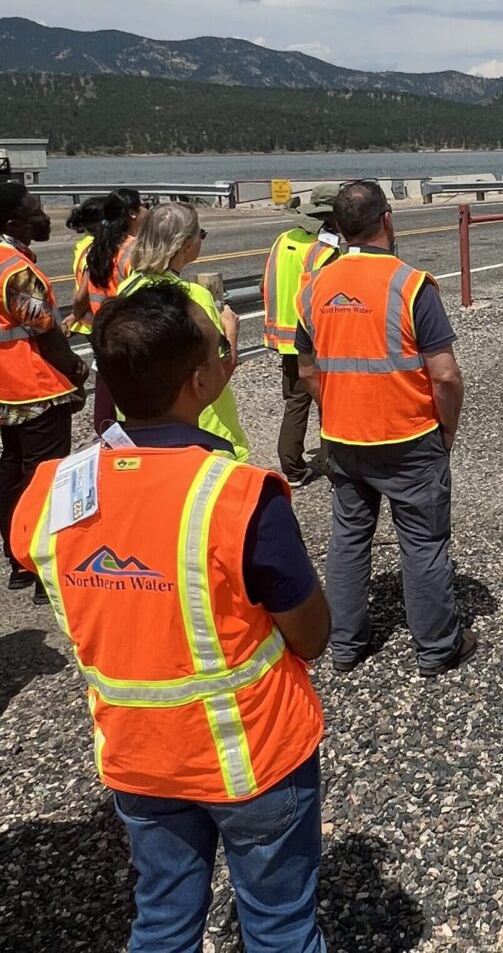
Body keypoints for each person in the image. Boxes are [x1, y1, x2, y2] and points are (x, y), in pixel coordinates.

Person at [9, 280, 330, 952]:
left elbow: (44, 553)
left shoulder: (53, 489)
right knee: (280, 927)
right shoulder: (238, 496)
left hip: (135, 755)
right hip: (253, 755)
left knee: (162, 919)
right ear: (198, 382)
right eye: (219, 347)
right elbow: (311, 633)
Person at [297, 180, 473, 676]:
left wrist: (336, 408)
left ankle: (346, 645)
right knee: (422, 542)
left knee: (349, 538)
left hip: (343, 438)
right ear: (387, 222)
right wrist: (446, 433)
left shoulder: (314, 289)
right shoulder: (412, 285)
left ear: (337, 228)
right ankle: (437, 647)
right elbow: (445, 375)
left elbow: (307, 370)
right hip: (408, 438)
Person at [0, 183, 89, 603]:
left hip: (5, 391)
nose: (45, 216)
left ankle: (17, 562)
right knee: (44, 479)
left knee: (13, 472)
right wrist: (73, 370)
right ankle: (42, 572)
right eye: (35, 210)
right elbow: (44, 328)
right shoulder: (12, 268)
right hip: (32, 389)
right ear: (14, 223)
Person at [117, 202, 250, 461]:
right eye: (201, 234)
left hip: (142, 427)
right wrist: (231, 331)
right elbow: (221, 369)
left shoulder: (128, 288)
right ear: (186, 246)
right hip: (202, 429)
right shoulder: (193, 297)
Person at [261, 183, 340, 484]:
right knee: (328, 401)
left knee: (296, 400)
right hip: (314, 338)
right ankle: (335, 465)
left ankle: (292, 465)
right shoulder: (325, 250)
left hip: (284, 336)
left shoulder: (284, 239)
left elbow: (264, 284)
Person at [71, 188, 144, 432]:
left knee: (105, 408)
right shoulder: (135, 251)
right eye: (142, 206)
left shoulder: (98, 248)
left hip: (102, 333)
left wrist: (75, 316)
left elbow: (81, 295)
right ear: (133, 214)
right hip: (130, 336)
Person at [63, 196, 106, 335]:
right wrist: (75, 315)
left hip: (90, 322)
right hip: (101, 324)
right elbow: (84, 292)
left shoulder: (84, 245)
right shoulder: (100, 249)